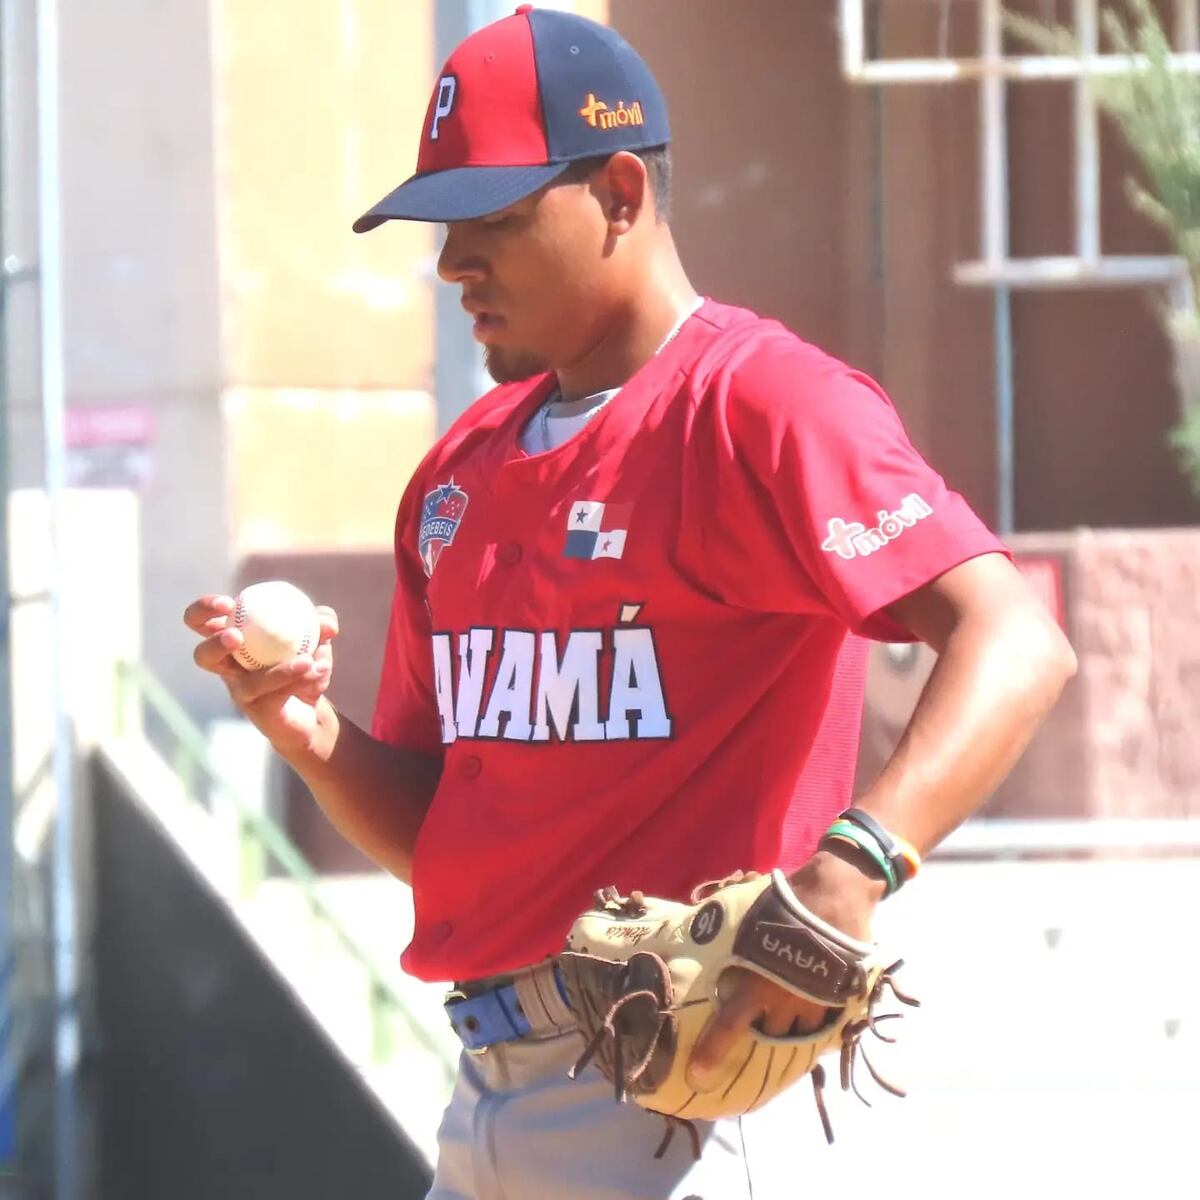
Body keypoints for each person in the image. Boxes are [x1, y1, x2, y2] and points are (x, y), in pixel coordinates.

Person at [185, 7, 1076, 1197]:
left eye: (492, 219)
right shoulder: (457, 477)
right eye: (443, 226)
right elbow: (448, 841)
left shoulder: (759, 404)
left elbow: (1016, 641)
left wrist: (850, 868)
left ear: (616, 192)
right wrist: (311, 737)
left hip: (690, 1097)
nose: (453, 265)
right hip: (487, 1089)